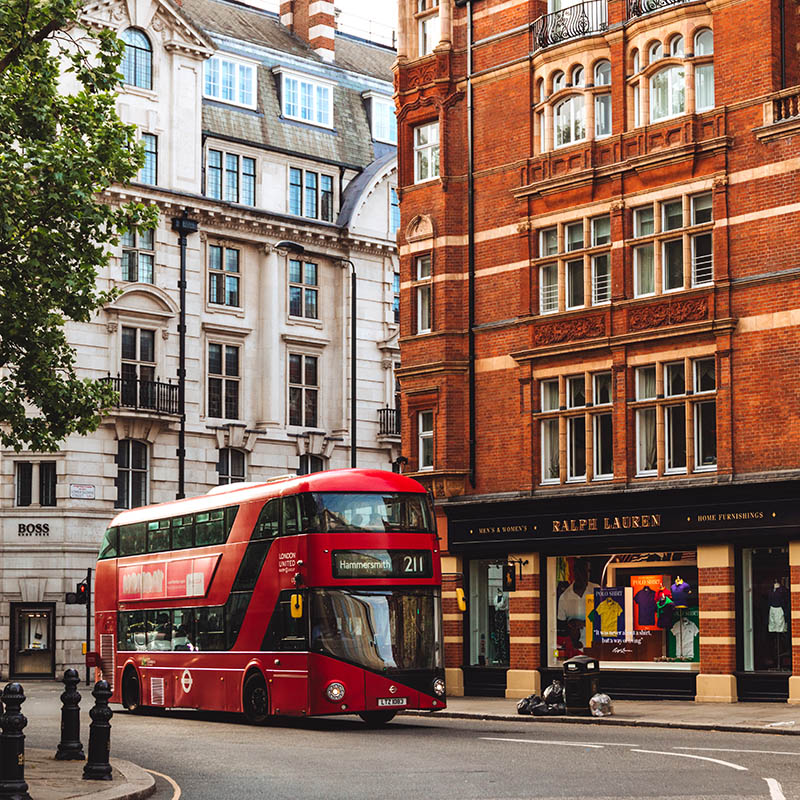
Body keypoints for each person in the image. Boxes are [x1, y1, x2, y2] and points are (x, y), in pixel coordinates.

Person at [556, 558, 599, 651]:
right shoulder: (565, 597)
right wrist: (570, 625)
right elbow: (560, 624)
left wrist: (585, 623)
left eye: (588, 571)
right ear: (575, 572)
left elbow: (605, 616)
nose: (586, 575)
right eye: (583, 571)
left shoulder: (597, 590)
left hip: (596, 646)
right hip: (575, 649)